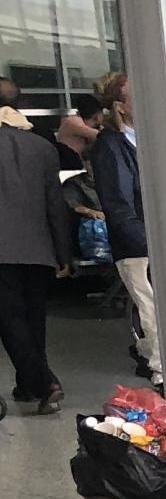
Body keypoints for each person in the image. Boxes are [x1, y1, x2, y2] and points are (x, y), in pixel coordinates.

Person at [0, 88, 70, 415]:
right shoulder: (43, 148)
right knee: (33, 320)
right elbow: (55, 205)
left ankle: (45, 382)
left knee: (11, 320)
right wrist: (62, 253)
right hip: (39, 249)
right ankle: (28, 385)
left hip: (2, 253)